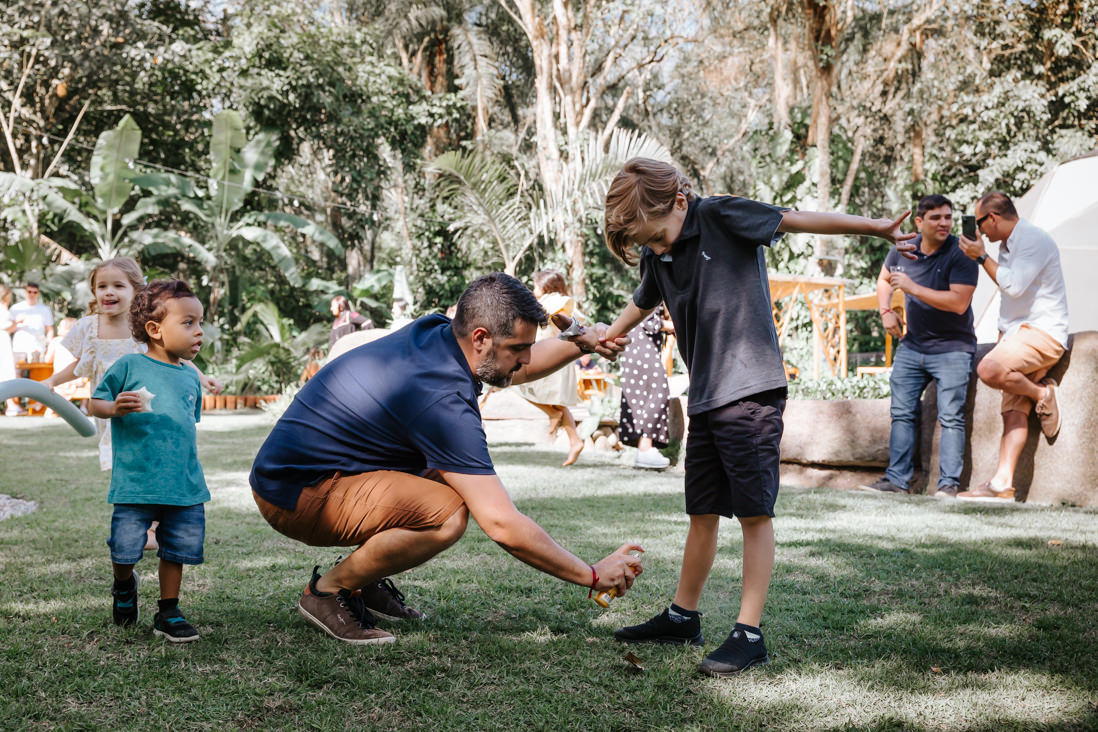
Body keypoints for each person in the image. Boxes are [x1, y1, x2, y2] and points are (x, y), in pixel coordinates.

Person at [599, 158, 915, 678]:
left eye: (653, 236)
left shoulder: (722, 217)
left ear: (678, 202)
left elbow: (800, 220)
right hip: (704, 397)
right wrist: (608, 335)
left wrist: (874, 227)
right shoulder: (660, 255)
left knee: (752, 512)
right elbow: (640, 304)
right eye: (643, 244)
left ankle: (749, 633)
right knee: (701, 511)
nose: (652, 250)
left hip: (750, 391)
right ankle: (683, 616)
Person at [249, 273, 642, 645]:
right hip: (297, 492)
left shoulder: (440, 333)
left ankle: (362, 582)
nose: (525, 359)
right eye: (518, 349)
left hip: (310, 473)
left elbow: (507, 370)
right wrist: (591, 575)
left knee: (442, 477)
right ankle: (328, 590)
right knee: (447, 514)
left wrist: (581, 343)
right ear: (481, 337)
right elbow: (502, 523)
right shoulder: (441, 398)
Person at [45, 258, 221, 549]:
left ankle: (151, 528)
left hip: (147, 413)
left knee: (148, 460)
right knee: (124, 466)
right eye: (101, 286)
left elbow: (173, 357)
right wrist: (52, 381)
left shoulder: (143, 331)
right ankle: (134, 521)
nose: (108, 292)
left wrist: (203, 378)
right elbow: (77, 365)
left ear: (135, 291)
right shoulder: (89, 327)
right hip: (111, 411)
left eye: (117, 285)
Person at [90, 279, 210, 642]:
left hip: (183, 484)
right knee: (124, 548)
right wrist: (113, 408)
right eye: (188, 323)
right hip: (135, 483)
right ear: (156, 330)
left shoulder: (191, 376)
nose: (198, 331)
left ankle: (168, 610)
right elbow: (95, 403)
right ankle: (124, 585)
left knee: (175, 548)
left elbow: (187, 425)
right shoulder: (128, 366)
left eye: (200, 322)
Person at [860, 195, 978, 497]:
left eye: (948, 217)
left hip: (953, 348)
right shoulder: (904, 247)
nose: (945, 223)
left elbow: (959, 303)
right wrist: (886, 312)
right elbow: (884, 279)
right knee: (901, 412)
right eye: (936, 217)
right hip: (912, 347)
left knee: (951, 415)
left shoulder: (961, 252)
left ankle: (948, 486)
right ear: (919, 222)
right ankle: (897, 481)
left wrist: (913, 288)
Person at [956, 191, 1068, 500]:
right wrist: (1004, 334)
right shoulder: (1007, 246)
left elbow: (1014, 286)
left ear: (991, 218)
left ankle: (1043, 393)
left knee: (988, 368)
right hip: (1018, 334)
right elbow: (1012, 299)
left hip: (1043, 333)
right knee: (1012, 411)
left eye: (979, 224)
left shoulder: (1032, 239)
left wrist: (981, 257)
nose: (979, 232)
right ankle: (1002, 484)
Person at [516, 269, 585, 466]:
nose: (534, 289)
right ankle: (575, 440)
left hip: (552, 356)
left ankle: (556, 418)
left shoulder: (556, 301)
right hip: (545, 353)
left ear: (546, 286)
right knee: (556, 402)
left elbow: (564, 326)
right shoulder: (549, 302)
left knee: (516, 383)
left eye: (537, 285)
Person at [619, 304, 674, 470]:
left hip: (636, 348)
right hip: (641, 349)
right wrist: (670, 326)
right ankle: (645, 448)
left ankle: (645, 448)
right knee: (658, 393)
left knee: (644, 396)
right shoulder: (657, 287)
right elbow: (649, 321)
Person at [10, 281, 53, 362]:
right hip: (19, 347)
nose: (32, 294)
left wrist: (49, 345)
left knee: (36, 373)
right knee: (18, 373)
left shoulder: (45, 309)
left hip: (38, 347)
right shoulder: (15, 308)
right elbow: (9, 329)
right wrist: (16, 322)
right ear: (25, 292)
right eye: (29, 291)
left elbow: (50, 329)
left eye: (35, 292)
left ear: (38, 293)